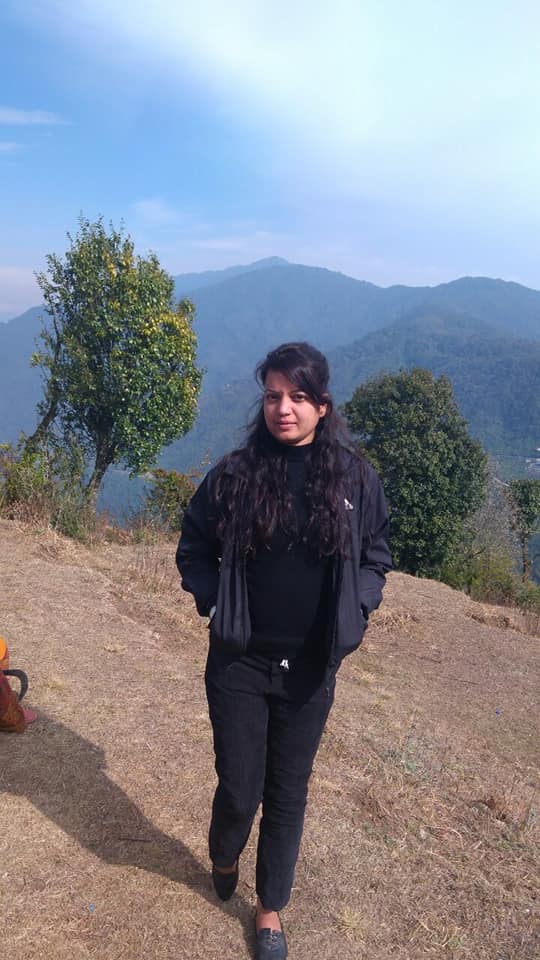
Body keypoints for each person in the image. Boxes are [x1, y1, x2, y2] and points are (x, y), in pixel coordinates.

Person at [176, 341, 391, 960]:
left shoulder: (354, 479)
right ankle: (224, 853)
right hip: (240, 664)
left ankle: (270, 909)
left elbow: (376, 553)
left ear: (322, 405)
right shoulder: (235, 475)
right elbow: (193, 545)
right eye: (273, 396)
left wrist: (358, 608)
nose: (284, 409)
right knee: (240, 788)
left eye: (298, 397)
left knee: (288, 792)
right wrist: (214, 603)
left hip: (311, 669)